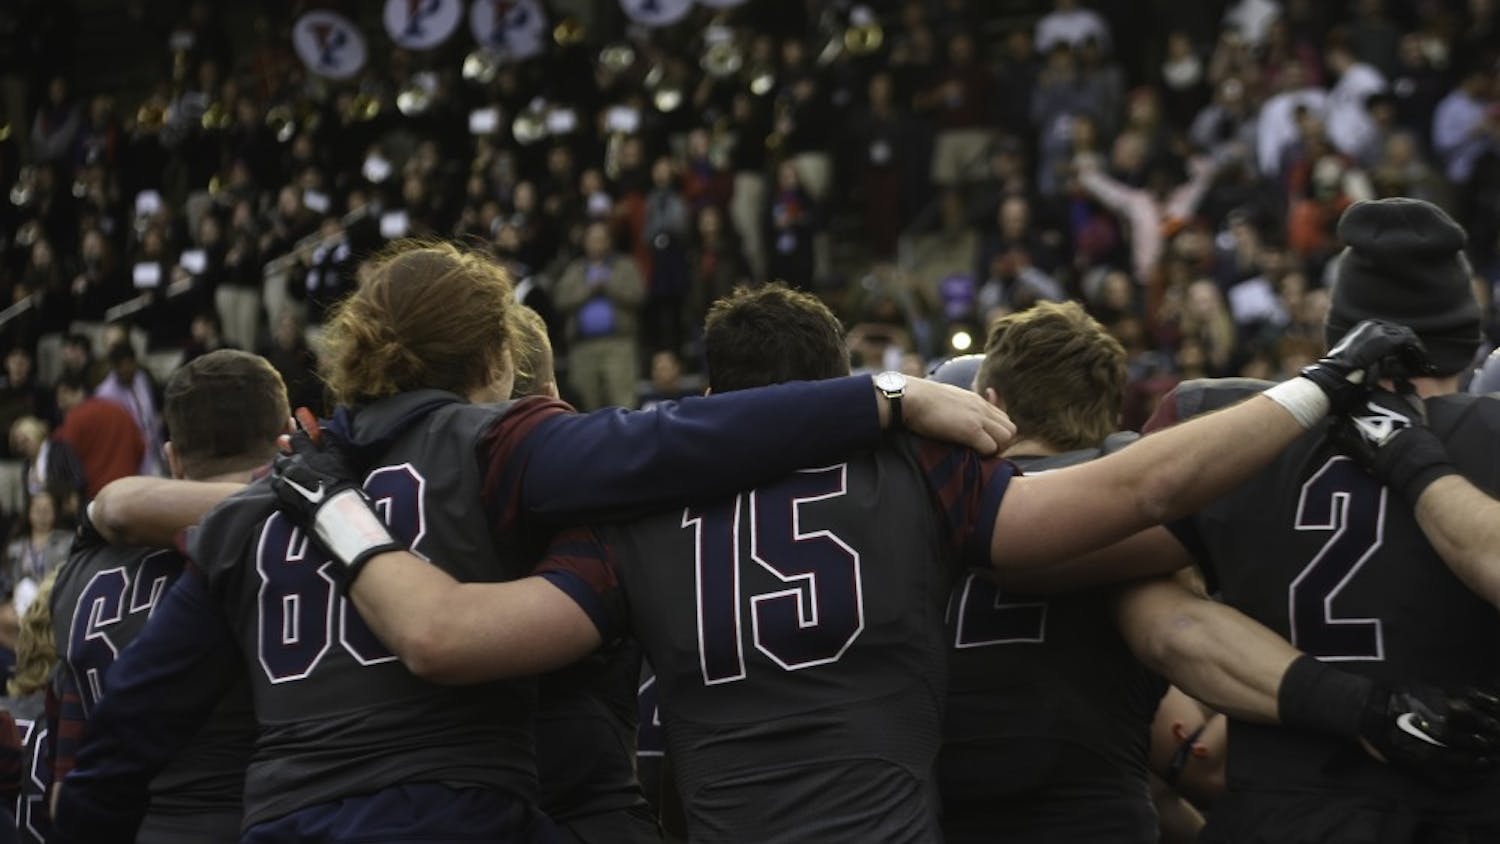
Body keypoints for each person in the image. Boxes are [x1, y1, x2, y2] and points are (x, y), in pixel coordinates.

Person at [273, 279, 1433, 841]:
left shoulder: (625, 512)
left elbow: (454, 637)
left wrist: (339, 515)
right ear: (833, 373)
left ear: (713, 391)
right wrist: (1315, 386)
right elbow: (1142, 487)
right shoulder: (914, 467)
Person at [55, 242, 1012, 842]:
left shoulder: (258, 508)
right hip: (453, 808)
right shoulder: (495, 445)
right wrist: (881, 397)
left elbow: (126, 733)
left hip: (285, 815)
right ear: (496, 359)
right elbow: (677, 440)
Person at [939, 301, 1485, 843]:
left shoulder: (925, 501)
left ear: (991, 402)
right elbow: (1189, 731)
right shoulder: (1121, 526)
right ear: (1104, 414)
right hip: (1092, 816)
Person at [1141, 198, 1500, 842]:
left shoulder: (1214, 430)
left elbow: (1119, 591)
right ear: (1469, 343)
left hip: (1282, 812)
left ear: (1338, 333)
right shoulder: (1490, 433)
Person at [51, 350, 288, 843]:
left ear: (173, 457)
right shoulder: (288, 552)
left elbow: (63, 777)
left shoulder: (77, 566)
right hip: (247, 822)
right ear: (284, 439)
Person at [556, 222, 646, 410]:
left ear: (609, 242)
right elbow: (560, 300)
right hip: (583, 347)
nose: (597, 243)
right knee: (586, 406)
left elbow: (638, 294)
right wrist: (588, 290)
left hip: (618, 344)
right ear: (585, 242)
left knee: (624, 402)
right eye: (592, 239)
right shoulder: (575, 269)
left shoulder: (625, 265)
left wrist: (608, 287)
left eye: (601, 239)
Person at [53, 374, 145, 499]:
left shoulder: (75, 419)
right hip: (128, 490)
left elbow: (63, 454)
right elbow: (141, 447)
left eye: (64, 399)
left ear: (79, 391)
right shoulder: (119, 410)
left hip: (96, 494)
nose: (60, 406)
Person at [92, 342, 164, 477]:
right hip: (127, 456)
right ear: (114, 368)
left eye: (129, 365)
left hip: (153, 448)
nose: (126, 370)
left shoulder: (141, 378)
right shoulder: (104, 394)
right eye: (121, 368)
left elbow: (150, 411)